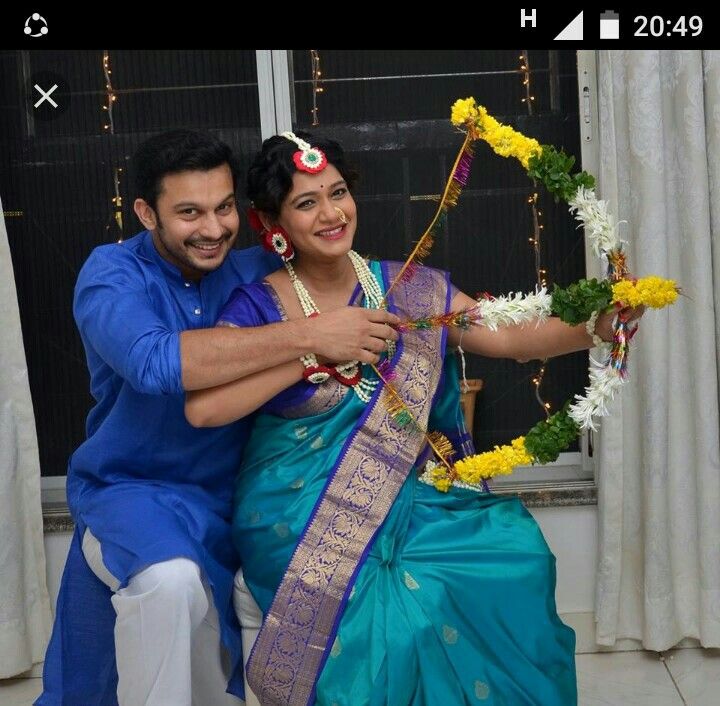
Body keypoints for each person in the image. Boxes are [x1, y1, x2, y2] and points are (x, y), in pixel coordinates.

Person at [185, 130, 637, 705]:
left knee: (513, 556)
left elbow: (511, 337)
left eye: (338, 192)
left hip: (418, 490)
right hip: (296, 507)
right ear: (273, 224)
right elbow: (204, 407)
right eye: (307, 202)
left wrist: (596, 326)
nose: (331, 213)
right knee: (400, 619)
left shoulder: (409, 289)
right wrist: (317, 351)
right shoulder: (258, 308)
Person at [36, 129, 400, 706]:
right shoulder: (111, 275)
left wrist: (582, 323)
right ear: (145, 213)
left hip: (244, 496)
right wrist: (310, 334)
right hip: (135, 490)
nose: (212, 229)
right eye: (189, 213)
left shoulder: (258, 268)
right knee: (169, 582)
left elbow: (352, 273)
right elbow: (157, 363)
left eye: (224, 207)